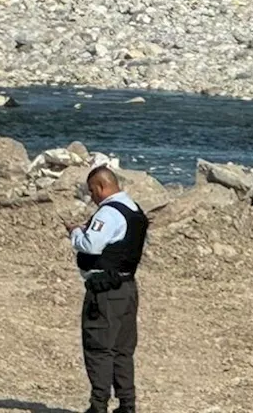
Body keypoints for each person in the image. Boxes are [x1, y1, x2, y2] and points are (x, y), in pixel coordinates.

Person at [64, 156, 148, 413]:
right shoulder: (135, 210)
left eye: (92, 192)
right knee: (123, 350)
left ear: (101, 187)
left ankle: (98, 406)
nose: (92, 198)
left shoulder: (110, 212)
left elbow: (92, 244)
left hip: (105, 290)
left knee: (99, 347)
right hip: (127, 288)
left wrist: (75, 233)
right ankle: (127, 404)